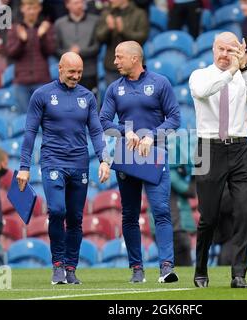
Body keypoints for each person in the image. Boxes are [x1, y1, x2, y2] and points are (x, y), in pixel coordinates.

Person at [16, 52, 110, 285]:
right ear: (60, 68)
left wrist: (104, 159)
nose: (76, 76)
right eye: (71, 72)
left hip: (80, 164)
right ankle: (57, 264)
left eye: (79, 72)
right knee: (57, 211)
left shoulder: (87, 97)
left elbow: (96, 131)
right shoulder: (42, 95)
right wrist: (24, 166)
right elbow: (30, 132)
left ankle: (70, 269)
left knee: (76, 218)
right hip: (53, 162)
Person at [189, 32, 247, 288]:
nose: (225, 54)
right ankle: (201, 270)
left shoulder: (244, 75)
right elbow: (204, 91)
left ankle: (239, 274)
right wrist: (231, 71)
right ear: (213, 49)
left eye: (230, 50)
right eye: (221, 49)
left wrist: (243, 68)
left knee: (243, 213)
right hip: (208, 148)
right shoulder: (200, 75)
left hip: (241, 148)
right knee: (208, 216)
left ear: (238, 52)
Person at [99, 41, 180, 283]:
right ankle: (137, 268)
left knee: (162, 211)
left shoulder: (160, 83)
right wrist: (126, 131)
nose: (115, 61)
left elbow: (175, 119)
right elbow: (103, 120)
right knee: (130, 215)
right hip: (127, 156)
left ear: (135, 59)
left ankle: (166, 267)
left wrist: (151, 135)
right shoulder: (114, 89)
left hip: (154, 155)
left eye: (119, 56)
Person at [6, 0, 56, 114]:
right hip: (22, 82)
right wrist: (22, 41)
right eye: (29, 8)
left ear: (39, 9)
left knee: (44, 119)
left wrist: (42, 37)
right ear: (22, 9)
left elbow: (50, 51)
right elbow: (11, 53)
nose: (31, 12)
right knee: (25, 120)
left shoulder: (46, 27)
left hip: (42, 80)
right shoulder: (15, 29)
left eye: (34, 8)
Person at [96, 0, 149, 85]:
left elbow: (142, 38)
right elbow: (99, 38)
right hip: (112, 66)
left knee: (137, 97)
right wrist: (108, 29)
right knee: (114, 96)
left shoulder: (139, 14)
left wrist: (123, 31)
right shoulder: (106, 14)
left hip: (134, 66)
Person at [54, 0, 100, 93]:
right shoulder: (59, 23)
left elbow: (97, 47)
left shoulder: (95, 21)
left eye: (81, 2)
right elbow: (56, 49)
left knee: (88, 101)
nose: (80, 5)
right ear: (67, 5)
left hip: (88, 71)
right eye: (76, 3)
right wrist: (70, 54)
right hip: (67, 72)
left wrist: (80, 52)